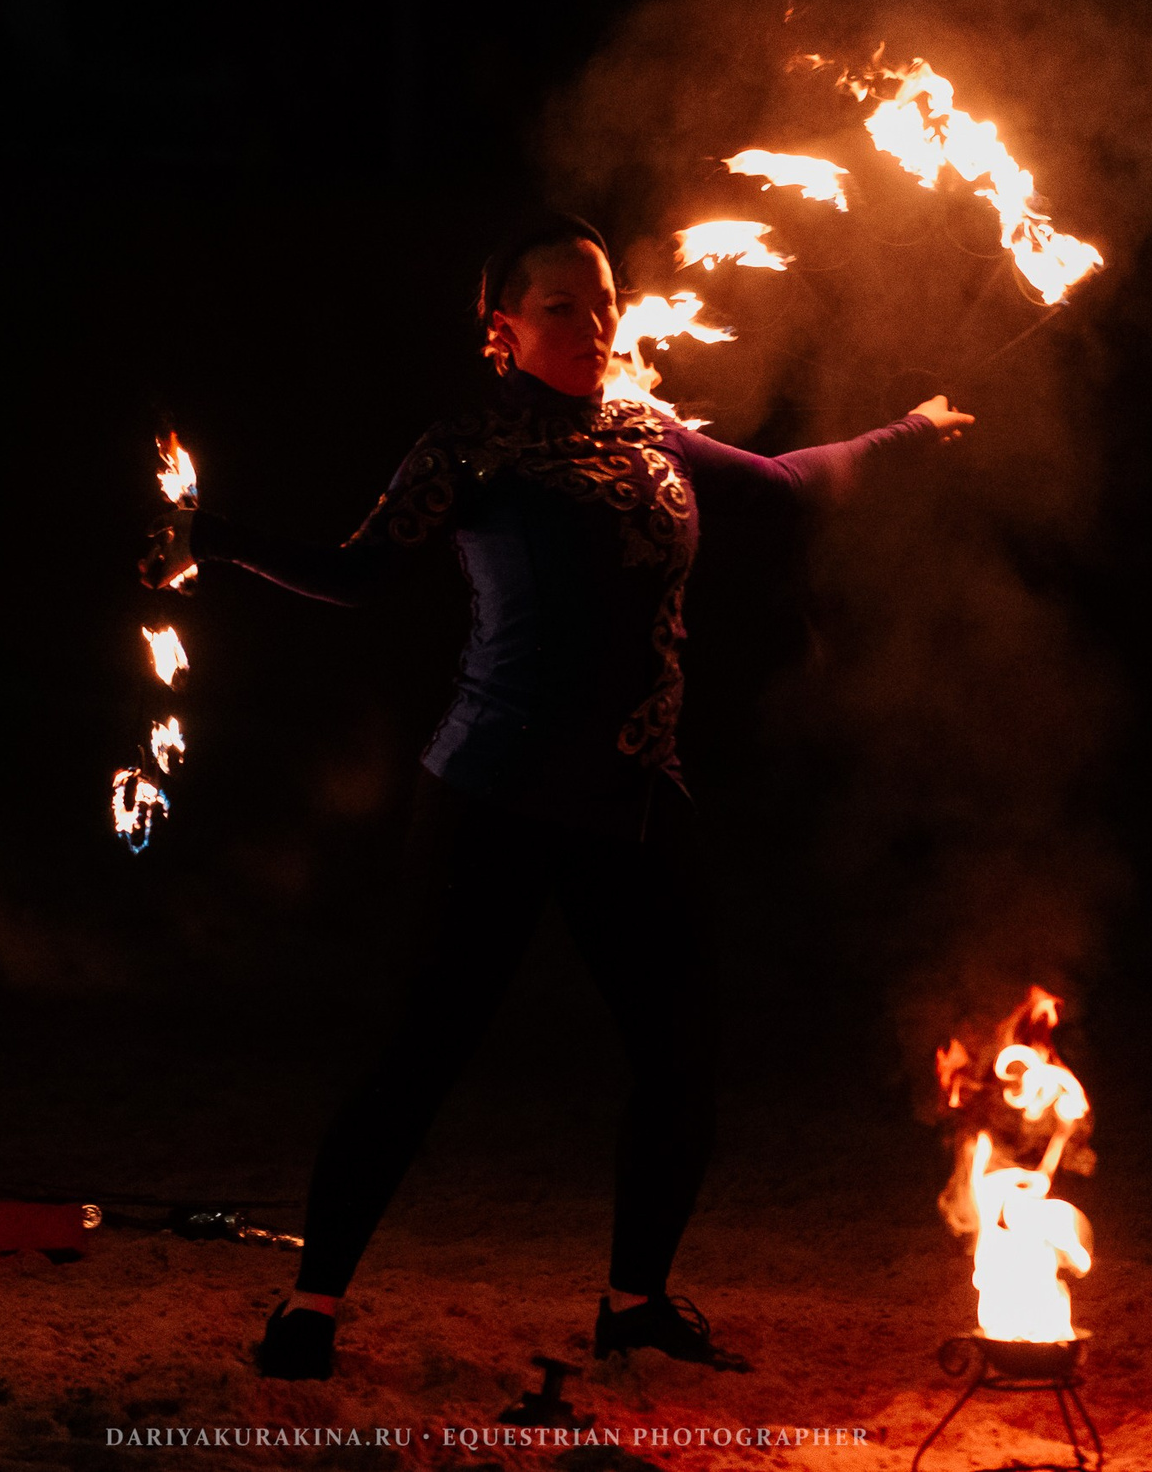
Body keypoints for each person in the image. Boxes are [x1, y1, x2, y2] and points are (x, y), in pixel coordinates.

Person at [141, 215, 973, 1378]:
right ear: (503, 329)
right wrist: (215, 539)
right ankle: (310, 1305)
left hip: (632, 793)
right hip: (493, 791)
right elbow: (359, 572)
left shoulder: (650, 431)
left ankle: (635, 1301)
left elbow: (784, 485)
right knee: (417, 1054)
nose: (594, 324)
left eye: (602, 298)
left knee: (679, 1053)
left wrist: (908, 431)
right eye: (561, 306)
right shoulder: (466, 448)